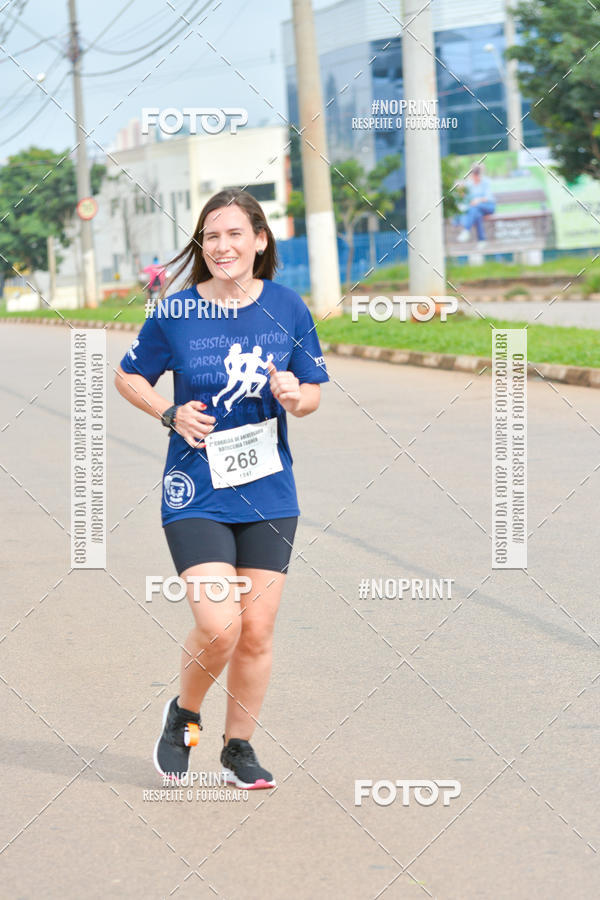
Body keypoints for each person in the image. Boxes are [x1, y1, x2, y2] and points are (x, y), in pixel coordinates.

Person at [115, 189, 329, 789]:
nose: (222, 246)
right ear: (201, 245)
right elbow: (128, 374)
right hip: (196, 490)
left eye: (234, 234)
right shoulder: (177, 311)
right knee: (220, 625)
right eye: (211, 236)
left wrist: (294, 396)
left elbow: (311, 393)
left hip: (269, 492)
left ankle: (239, 749)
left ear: (259, 240)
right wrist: (169, 411)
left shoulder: (287, 307)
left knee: (257, 631)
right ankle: (183, 717)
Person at [456, 165, 496, 245]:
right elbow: (466, 198)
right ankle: (481, 240)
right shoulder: (470, 184)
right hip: (476, 209)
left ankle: (466, 230)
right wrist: (461, 190)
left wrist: (478, 200)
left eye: (475, 176)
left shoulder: (486, 182)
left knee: (474, 207)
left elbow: (488, 197)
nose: (473, 178)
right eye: (472, 176)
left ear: (478, 175)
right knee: (477, 214)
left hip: (488, 206)